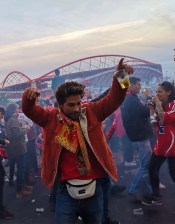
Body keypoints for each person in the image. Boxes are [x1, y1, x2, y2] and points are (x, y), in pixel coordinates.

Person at [22, 58, 133, 224]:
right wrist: (28, 98)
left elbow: (116, 99)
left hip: (94, 187)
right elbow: (30, 111)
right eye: (71, 105)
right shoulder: (51, 118)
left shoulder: (91, 111)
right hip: (65, 190)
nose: (76, 108)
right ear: (60, 105)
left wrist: (123, 77)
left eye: (79, 103)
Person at [142, 85, 175, 214]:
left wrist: (157, 104)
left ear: (169, 92)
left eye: (160, 92)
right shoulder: (159, 106)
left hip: (173, 145)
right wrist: (152, 109)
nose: (158, 94)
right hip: (161, 145)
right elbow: (153, 123)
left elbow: (164, 118)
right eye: (157, 92)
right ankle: (156, 196)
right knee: (152, 169)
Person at [121, 77, 153, 202]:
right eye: (138, 84)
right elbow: (146, 112)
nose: (140, 86)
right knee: (144, 163)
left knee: (146, 161)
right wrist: (149, 98)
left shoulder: (132, 98)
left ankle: (147, 188)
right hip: (139, 136)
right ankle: (134, 188)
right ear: (132, 85)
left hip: (139, 135)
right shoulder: (131, 100)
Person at [4, 103, 32, 198]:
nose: (18, 110)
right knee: (21, 169)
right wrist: (25, 128)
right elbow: (17, 135)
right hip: (19, 147)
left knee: (20, 168)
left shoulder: (8, 120)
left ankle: (22, 186)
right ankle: (19, 190)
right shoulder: (13, 120)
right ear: (13, 110)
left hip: (14, 147)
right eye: (17, 109)